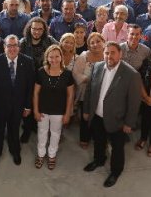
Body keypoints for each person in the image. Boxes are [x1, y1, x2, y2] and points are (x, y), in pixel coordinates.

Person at [83, 41, 141, 187]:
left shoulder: (131, 74)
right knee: (98, 141)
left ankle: (115, 172)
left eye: (113, 53)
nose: (109, 56)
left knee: (117, 148)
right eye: (107, 53)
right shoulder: (97, 66)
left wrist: (129, 123)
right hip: (97, 115)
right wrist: (86, 110)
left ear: (120, 54)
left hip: (118, 120)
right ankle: (99, 160)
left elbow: (134, 102)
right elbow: (89, 90)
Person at [0, 34, 35, 167]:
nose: (12, 48)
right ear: (4, 47)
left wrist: (27, 106)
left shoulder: (28, 61)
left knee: (14, 129)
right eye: (9, 46)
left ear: (19, 47)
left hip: (18, 106)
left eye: (15, 46)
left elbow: (30, 87)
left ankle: (15, 151)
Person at [34, 45, 74, 170]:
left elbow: (70, 95)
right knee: (42, 133)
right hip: (43, 110)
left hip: (59, 111)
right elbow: (35, 93)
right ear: (47, 57)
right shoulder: (41, 72)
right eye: (51, 57)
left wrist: (67, 113)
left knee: (55, 134)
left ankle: (52, 155)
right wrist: (35, 110)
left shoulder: (67, 74)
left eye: (57, 56)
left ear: (61, 57)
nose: (54, 59)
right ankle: (41, 155)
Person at [73, 33, 106, 149]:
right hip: (85, 93)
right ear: (88, 46)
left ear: (103, 42)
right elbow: (76, 74)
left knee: (97, 116)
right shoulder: (84, 56)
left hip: (102, 93)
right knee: (85, 116)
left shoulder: (107, 55)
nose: (95, 44)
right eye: (92, 43)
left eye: (98, 41)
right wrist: (90, 80)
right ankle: (84, 137)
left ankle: (96, 135)